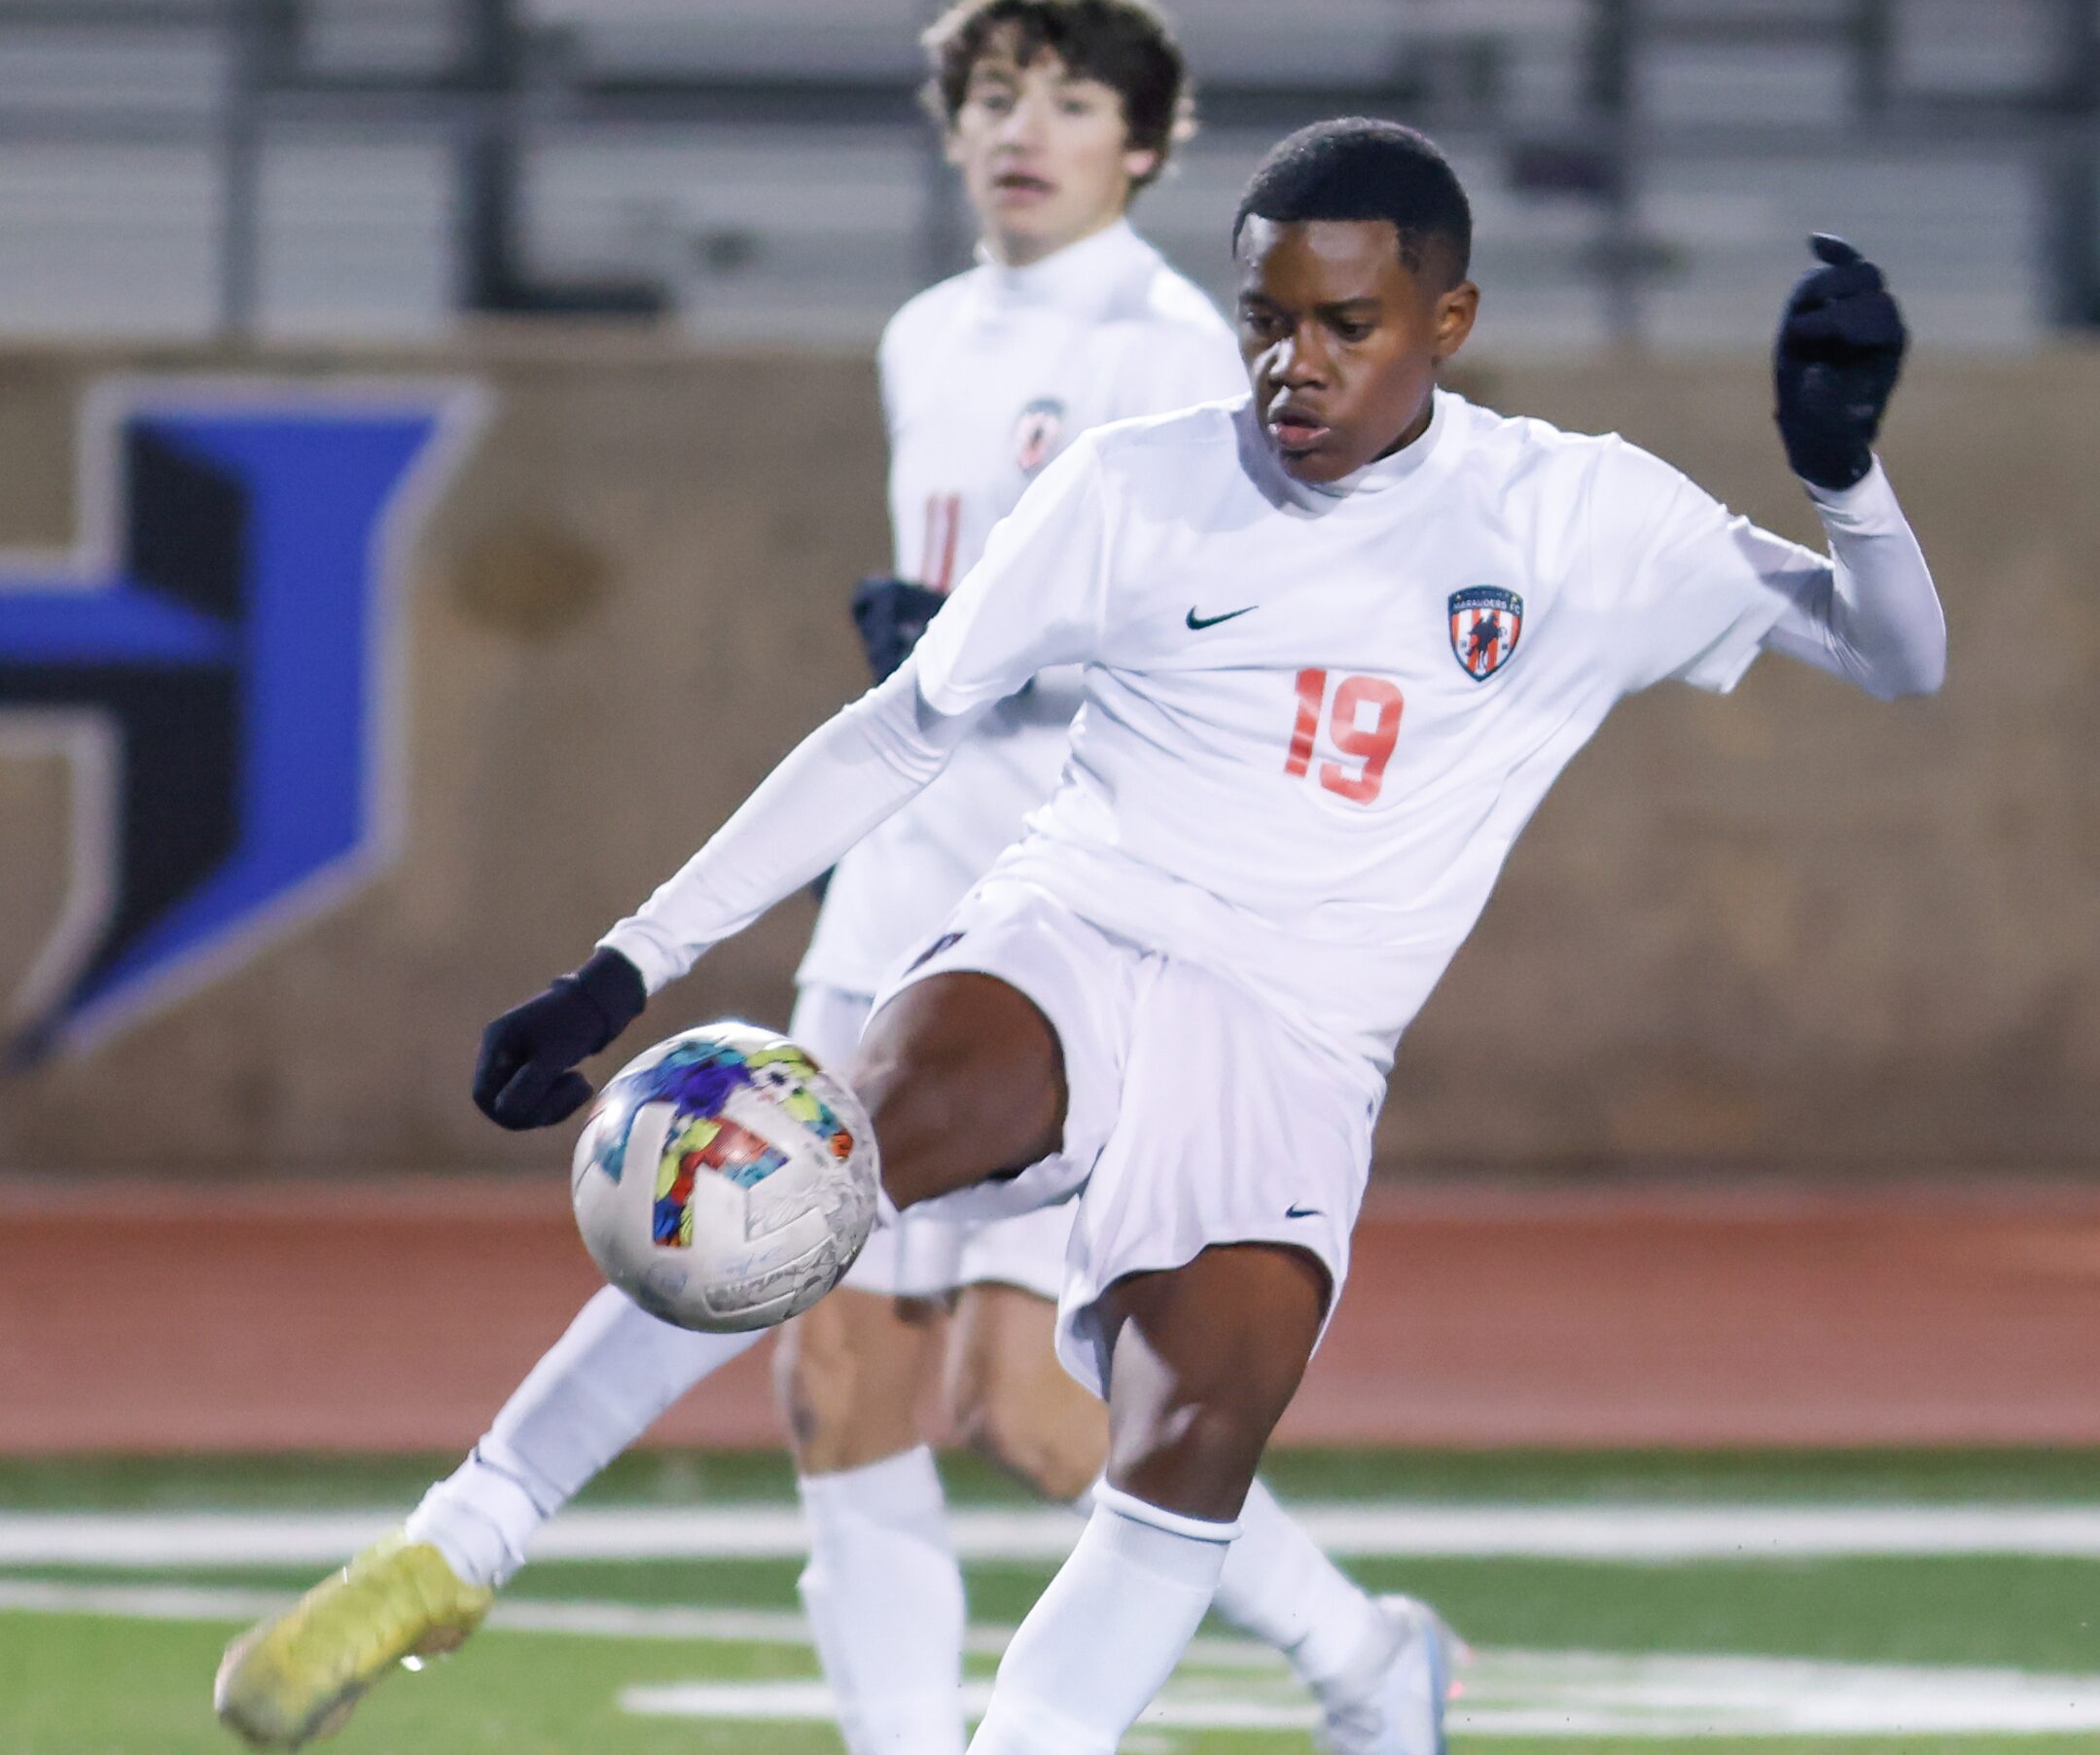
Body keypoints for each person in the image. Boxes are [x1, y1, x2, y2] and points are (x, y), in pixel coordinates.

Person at [460, 123, 1944, 1750]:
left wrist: (1844, 473)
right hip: (1078, 935)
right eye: (1266, 320)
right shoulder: (1135, 485)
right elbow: (900, 730)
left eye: (1346, 326)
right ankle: (475, 1522)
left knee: (1182, 1460)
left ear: (1448, 322)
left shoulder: (1579, 518)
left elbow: (1895, 657)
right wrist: (626, 961)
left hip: (1298, 1048)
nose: (1291, 367)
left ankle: (1318, 1689)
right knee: (810, 1161)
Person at [213, 0, 1451, 1755]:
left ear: (1147, 146)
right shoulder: (928, 337)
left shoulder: (1181, 350)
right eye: (997, 97)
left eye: (1075, 103)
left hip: (1075, 930)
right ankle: (489, 1544)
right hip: (897, 888)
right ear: (951, 129)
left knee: (1029, 1407)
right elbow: (925, 681)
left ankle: (1360, 1656)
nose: (1027, 132)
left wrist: (990, 645)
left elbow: (1238, 649)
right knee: (827, 1356)